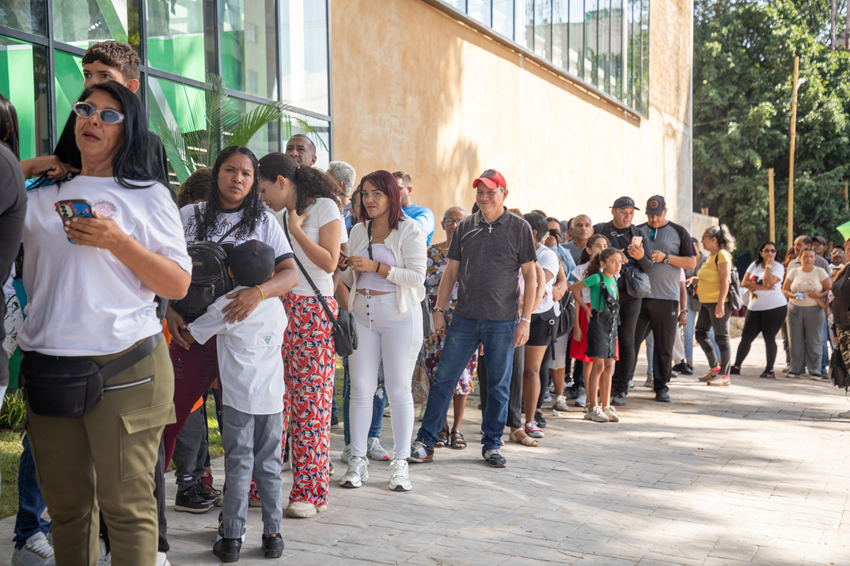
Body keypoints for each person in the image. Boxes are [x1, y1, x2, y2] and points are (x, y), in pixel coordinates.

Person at [18, 81, 191, 565]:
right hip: (50, 368)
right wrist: (29, 167)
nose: (93, 119)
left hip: (127, 367)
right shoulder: (39, 194)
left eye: (109, 115)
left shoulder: (148, 195)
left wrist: (118, 242)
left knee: (127, 508)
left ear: (127, 129)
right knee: (67, 511)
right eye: (85, 109)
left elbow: (178, 284)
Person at [163, 146, 298, 483]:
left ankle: (237, 504)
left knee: (239, 425)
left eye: (246, 173)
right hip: (191, 335)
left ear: (253, 181)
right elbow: (162, 265)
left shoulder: (264, 221)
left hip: (242, 339)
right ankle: (146, 502)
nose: (237, 178)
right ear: (217, 173)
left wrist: (259, 292)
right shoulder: (188, 215)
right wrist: (168, 309)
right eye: (230, 170)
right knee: (167, 419)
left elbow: (290, 274)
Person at [411, 169, 537, 468]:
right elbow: (451, 271)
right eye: (480, 192)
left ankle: (492, 444)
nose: (484, 197)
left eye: (490, 191)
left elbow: (531, 276)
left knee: (498, 385)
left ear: (504, 193)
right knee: (444, 379)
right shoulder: (466, 226)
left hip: (503, 321)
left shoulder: (519, 228)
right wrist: (439, 312)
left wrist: (526, 320)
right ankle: (426, 441)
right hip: (464, 319)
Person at [184, 241, 286, 562]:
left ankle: (231, 540)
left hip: (238, 401)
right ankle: (272, 537)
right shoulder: (277, 305)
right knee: (270, 468)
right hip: (273, 401)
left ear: (229, 271)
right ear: (271, 275)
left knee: (238, 466)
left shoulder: (227, 304)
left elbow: (193, 334)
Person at [256, 152, 342, 517]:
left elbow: (330, 262)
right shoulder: (272, 215)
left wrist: (295, 231)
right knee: (273, 401)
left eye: (263, 190)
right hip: (278, 311)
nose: (262, 198)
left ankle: (310, 492)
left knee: (311, 406)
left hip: (313, 312)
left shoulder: (324, 207)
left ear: (281, 181)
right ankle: (262, 484)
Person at [338, 170, 427, 491]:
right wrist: (346, 267)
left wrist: (376, 267)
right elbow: (351, 280)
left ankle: (400, 463)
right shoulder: (357, 230)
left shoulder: (409, 229)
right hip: (362, 314)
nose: (369, 199)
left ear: (392, 196)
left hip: (399, 315)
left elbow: (416, 277)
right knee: (360, 388)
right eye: (365, 193)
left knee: (398, 388)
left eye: (377, 193)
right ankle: (357, 460)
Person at [632, 196, 697, 403]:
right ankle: (621, 385)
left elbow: (691, 263)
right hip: (638, 296)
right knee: (630, 342)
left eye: (657, 215)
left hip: (666, 298)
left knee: (664, 346)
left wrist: (666, 258)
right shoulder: (637, 230)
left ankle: (661, 387)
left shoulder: (679, 231)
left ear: (665, 211)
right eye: (650, 215)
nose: (653, 219)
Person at [424, 206, 476, 449]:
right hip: (435, 323)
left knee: (463, 376)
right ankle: (441, 427)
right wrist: (430, 321)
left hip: (467, 323)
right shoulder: (430, 253)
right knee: (436, 375)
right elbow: (422, 290)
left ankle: (457, 428)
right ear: (443, 224)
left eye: (460, 221)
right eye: (450, 220)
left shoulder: (475, 253)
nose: (454, 225)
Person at [593, 197, 652, 404]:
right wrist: (611, 256)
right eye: (623, 212)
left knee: (627, 340)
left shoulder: (639, 234)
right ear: (613, 212)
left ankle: (621, 388)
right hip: (605, 292)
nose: (627, 217)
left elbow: (649, 267)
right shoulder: (600, 229)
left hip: (629, 294)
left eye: (631, 213)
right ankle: (594, 386)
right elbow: (587, 257)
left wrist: (641, 257)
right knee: (601, 337)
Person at [521, 213, 562, 441]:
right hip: (511, 315)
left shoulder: (547, 255)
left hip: (539, 318)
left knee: (532, 370)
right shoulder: (513, 250)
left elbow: (536, 284)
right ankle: (507, 420)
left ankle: (530, 420)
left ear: (533, 233)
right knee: (510, 371)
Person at [570, 248, 623, 422]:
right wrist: (585, 308)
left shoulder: (614, 279)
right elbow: (573, 288)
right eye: (613, 262)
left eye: (619, 262)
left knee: (609, 366)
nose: (617, 265)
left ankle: (605, 405)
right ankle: (592, 406)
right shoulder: (596, 278)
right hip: (598, 324)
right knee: (598, 366)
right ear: (602, 264)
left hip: (611, 325)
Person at [729, 242, 787, 378]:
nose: (769, 253)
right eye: (766, 250)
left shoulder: (778, 267)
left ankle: (769, 370)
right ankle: (736, 366)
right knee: (746, 338)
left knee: (769, 338)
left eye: (773, 251)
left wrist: (768, 267)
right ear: (761, 252)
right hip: (754, 307)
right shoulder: (754, 265)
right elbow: (744, 282)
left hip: (774, 307)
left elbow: (768, 282)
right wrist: (763, 287)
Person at [691, 225, 736, 386]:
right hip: (706, 302)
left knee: (722, 338)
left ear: (713, 239)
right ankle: (715, 368)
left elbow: (726, 280)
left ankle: (725, 376)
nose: (702, 241)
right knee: (701, 334)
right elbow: (710, 276)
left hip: (718, 302)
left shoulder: (723, 255)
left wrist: (720, 304)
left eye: (704, 238)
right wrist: (695, 279)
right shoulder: (711, 256)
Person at [544, 216, 577, 412]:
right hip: (537, 310)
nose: (552, 235)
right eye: (548, 231)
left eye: (556, 231)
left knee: (559, 355)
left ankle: (559, 395)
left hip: (559, 310)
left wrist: (561, 287)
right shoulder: (534, 252)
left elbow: (573, 278)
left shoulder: (565, 253)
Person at [782, 248, 831, 379]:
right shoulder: (794, 271)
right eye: (805, 256)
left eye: (811, 256)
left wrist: (818, 295)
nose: (808, 259)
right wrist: (793, 295)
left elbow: (830, 290)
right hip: (794, 309)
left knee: (814, 341)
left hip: (815, 310)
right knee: (794, 341)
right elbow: (784, 289)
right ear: (800, 258)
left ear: (815, 258)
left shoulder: (820, 272)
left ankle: (815, 370)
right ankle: (795, 369)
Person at [829, 255, 850, 417]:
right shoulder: (845, 269)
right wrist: (836, 330)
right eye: (848, 248)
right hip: (843, 328)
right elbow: (837, 301)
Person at [393, 171, 436, 246]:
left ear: (409, 190)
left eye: (397, 188)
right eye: (390, 189)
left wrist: (396, 207)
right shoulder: (385, 213)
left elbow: (416, 230)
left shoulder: (426, 213)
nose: (393, 193)